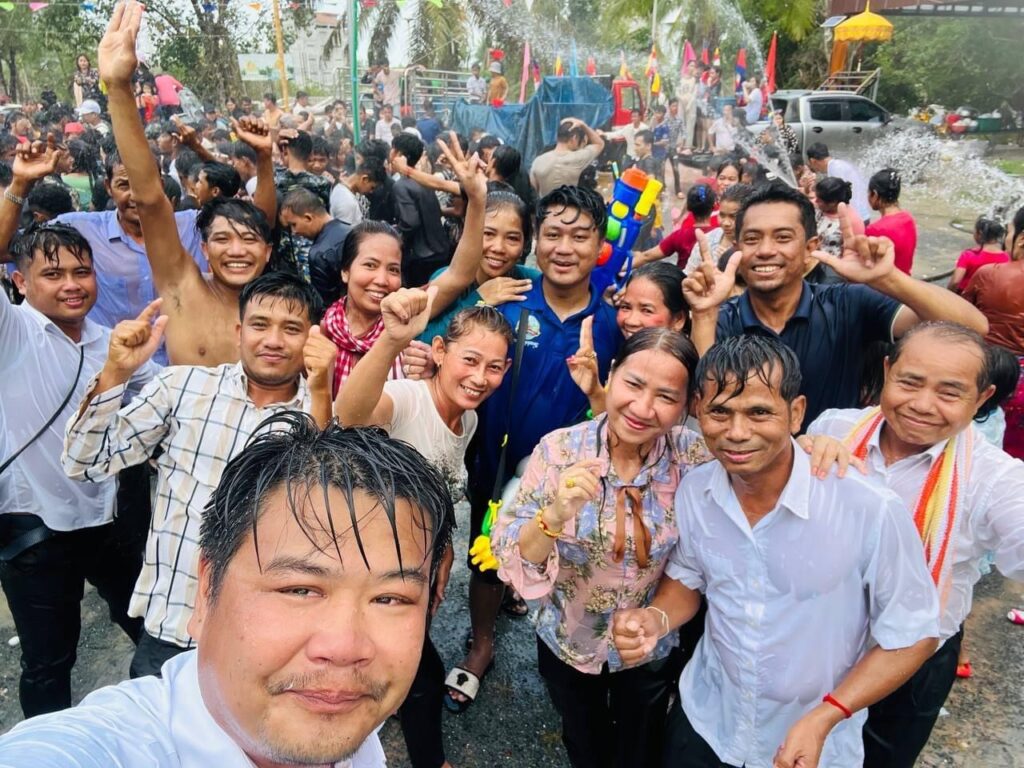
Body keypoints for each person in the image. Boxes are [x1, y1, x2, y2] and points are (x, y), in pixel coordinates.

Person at [1, 409, 455, 767]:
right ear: (205, 590)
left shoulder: (346, 718)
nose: (345, 648)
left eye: (390, 598)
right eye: (299, 589)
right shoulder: (109, 748)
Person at [612, 334, 940, 768]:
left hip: (810, 743)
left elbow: (914, 635)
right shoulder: (696, 490)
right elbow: (690, 578)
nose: (737, 432)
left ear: (796, 413)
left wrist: (828, 715)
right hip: (707, 720)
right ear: (698, 411)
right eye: (720, 412)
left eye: (759, 412)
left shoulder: (869, 508)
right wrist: (655, 619)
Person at [62, 271, 336, 678]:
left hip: (266, 637)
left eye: (291, 329)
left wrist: (322, 392)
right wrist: (115, 373)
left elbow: (325, 516)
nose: (274, 340)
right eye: (260, 325)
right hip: (172, 625)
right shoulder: (182, 388)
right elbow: (84, 462)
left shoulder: (321, 413)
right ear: (239, 332)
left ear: (313, 339)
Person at [808, 322, 1024, 767]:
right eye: (909, 382)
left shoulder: (995, 479)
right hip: (815, 641)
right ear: (887, 371)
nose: (922, 405)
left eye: (949, 392)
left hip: (914, 663)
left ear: (982, 398)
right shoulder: (835, 427)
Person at [492, 329, 710, 767]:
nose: (643, 408)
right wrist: (554, 516)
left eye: (666, 396)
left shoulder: (693, 457)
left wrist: (815, 444)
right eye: (633, 384)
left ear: (687, 404)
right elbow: (512, 554)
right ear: (611, 374)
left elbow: (760, 464)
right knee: (583, 737)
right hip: (568, 640)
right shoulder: (559, 450)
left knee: (641, 741)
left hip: (650, 642)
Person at [447, 185, 623, 713]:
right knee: (486, 554)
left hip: (575, 478)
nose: (564, 248)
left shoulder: (614, 323)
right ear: (536, 243)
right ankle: (482, 642)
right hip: (498, 462)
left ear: (600, 247)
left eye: (579, 236)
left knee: (570, 557)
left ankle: (569, 659)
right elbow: (452, 344)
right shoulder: (508, 302)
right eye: (553, 234)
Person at [338, 289, 513, 768]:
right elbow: (350, 417)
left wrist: (444, 549)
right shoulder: (408, 399)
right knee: (423, 677)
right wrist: (391, 341)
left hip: (414, 570)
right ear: (439, 351)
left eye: (494, 367)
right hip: (368, 572)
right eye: (469, 360)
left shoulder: (468, 419)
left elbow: (440, 489)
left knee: (393, 667)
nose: (480, 377)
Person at [0, 218, 157, 719]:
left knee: (152, 628)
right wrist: (17, 188)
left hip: (109, 519)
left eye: (81, 271)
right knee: (48, 662)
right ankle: (48, 745)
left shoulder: (110, 341)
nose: (71, 284)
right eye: (53, 274)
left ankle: (164, 728)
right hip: (34, 526)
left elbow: (163, 392)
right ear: (20, 281)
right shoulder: (12, 331)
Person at [684, 182, 989, 425]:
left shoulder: (847, 304)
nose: (765, 250)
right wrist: (704, 313)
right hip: (747, 472)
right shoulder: (723, 318)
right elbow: (703, 405)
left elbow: (972, 327)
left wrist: (888, 279)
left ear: (810, 248)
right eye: (752, 239)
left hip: (835, 468)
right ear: (737, 248)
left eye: (782, 237)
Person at [100, 6, 280, 365]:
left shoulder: (279, 315)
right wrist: (118, 88)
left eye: (248, 240)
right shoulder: (183, 288)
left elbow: (264, 221)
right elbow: (150, 200)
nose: (237, 251)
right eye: (223, 239)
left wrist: (264, 158)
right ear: (204, 249)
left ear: (267, 251)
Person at [324, 135, 487, 396]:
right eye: (370, 265)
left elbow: (459, 274)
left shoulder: (405, 315)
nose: (381, 280)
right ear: (345, 271)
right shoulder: (325, 331)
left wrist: (477, 200)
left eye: (393, 269)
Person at [418, 188, 538, 342]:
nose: (498, 248)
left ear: (524, 244)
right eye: (488, 234)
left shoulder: (532, 282)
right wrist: (478, 300)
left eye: (512, 238)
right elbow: (421, 340)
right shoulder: (446, 279)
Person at [963, 226, 1024, 458]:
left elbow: (962, 318)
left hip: (988, 373)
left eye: (1009, 232)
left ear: (1021, 238)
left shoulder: (989, 274)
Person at [279, 187, 353, 308]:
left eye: (294, 224)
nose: (294, 232)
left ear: (308, 218)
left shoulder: (319, 254)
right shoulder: (352, 231)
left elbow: (326, 306)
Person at [634, 183, 717, 268]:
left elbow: (647, 256)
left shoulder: (680, 235)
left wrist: (625, 266)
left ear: (688, 207)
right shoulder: (719, 233)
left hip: (683, 276)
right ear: (714, 206)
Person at [530, 118, 605, 197]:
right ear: (574, 138)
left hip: (544, 204)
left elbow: (532, 192)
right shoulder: (578, 158)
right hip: (569, 203)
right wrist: (582, 124)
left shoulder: (538, 161)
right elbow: (599, 144)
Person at [866, 168, 918, 275]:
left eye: (868, 192)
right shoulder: (909, 219)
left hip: (884, 283)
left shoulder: (875, 229)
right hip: (905, 281)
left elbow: (867, 267)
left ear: (875, 194)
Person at [805, 142, 871, 221]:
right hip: (862, 213)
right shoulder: (838, 165)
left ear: (813, 161)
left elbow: (833, 198)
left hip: (856, 216)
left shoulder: (835, 169)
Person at [949, 217, 1009, 292]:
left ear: (980, 233)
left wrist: (948, 293)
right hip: (990, 296)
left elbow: (955, 282)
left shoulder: (968, 255)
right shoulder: (1006, 258)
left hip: (965, 295)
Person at [330, 155, 386, 224]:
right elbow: (344, 230)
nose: (371, 192)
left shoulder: (341, 187)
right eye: (372, 187)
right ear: (365, 179)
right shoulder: (347, 201)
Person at [677, 60, 699, 149]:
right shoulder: (681, 78)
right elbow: (677, 91)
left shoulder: (695, 79)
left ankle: (688, 145)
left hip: (691, 104)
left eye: (694, 66)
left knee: (690, 124)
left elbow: (695, 93)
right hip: (681, 103)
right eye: (690, 65)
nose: (692, 67)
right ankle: (680, 143)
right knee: (681, 122)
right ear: (687, 66)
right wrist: (681, 99)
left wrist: (689, 104)